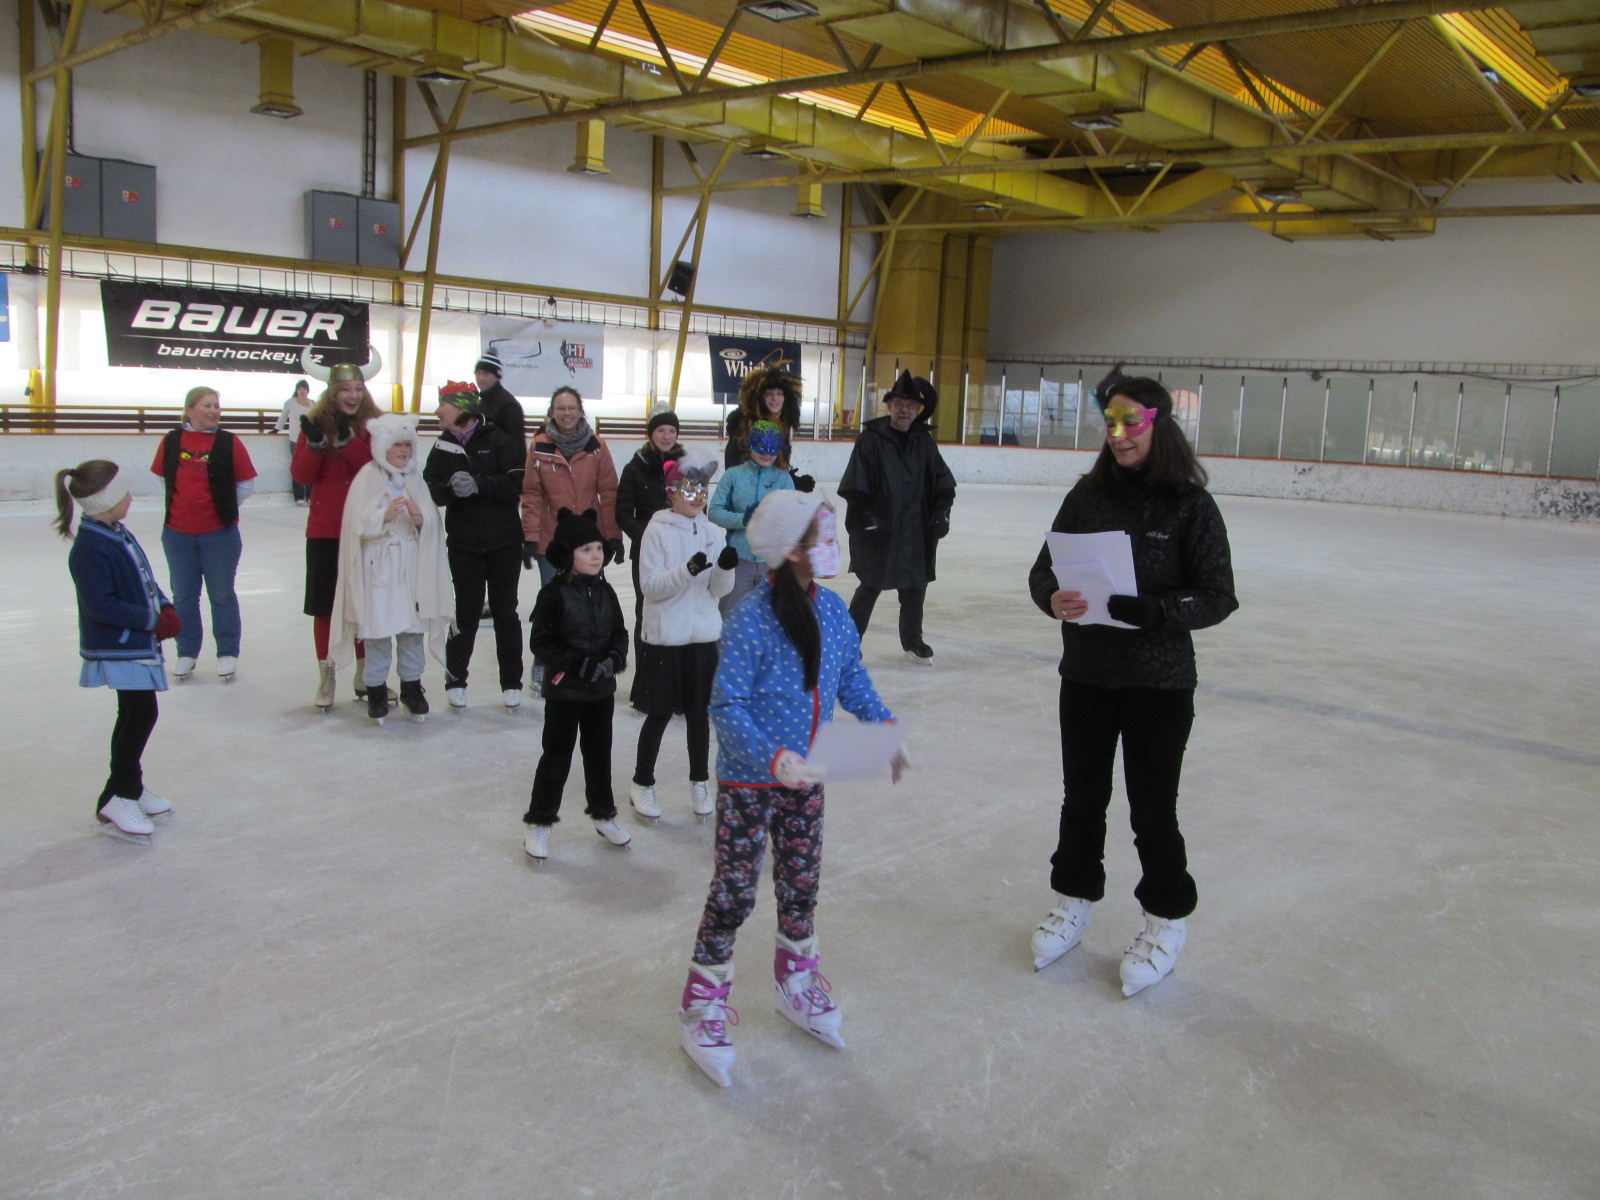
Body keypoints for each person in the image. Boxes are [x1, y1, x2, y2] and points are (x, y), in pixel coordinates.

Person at [678, 489, 905, 1089]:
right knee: (733, 893)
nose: (834, 544)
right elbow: (725, 705)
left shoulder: (832, 611)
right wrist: (772, 758)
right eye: (822, 537)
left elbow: (850, 675)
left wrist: (882, 725)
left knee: (801, 885)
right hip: (750, 782)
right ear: (790, 551)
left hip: (808, 779)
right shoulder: (750, 618)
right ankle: (701, 1006)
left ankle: (796, 983)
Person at [1026, 369, 1238, 998]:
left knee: (1152, 809)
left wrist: (1161, 611)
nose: (1119, 435)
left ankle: (1166, 918)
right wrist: (1052, 597)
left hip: (1158, 684)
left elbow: (1218, 595)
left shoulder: (1190, 505)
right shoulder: (1086, 496)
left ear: (1158, 425)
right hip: (1087, 675)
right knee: (1082, 799)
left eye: (1132, 423)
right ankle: (1073, 899)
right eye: (1111, 423)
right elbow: (1042, 572)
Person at [56, 460, 180, 844]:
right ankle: (120, 795)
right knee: (140, 714)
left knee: (135, 713)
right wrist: (151, 620)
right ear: (106, 501)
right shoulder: (90, 548)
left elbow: (144, 577)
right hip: (119, 646)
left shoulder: (116, 532)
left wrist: (164, 606)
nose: (130, 498)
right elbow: (101, 607)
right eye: (124, 493)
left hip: (133, 643)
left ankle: (126, 789)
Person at [629, 451, 737, 824]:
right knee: (659, 713)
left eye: (702, 490)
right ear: (672, 492)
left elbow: (718, 591)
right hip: (665, 638)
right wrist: (687, 570)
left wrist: (724, 569)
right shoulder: (656, 531)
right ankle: (642, 782)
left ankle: (699, 782)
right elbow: (650, 587)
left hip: (702, 638)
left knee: (699, 715)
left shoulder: (713, 533)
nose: (697, 497)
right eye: (689, 490)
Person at [522, 507, 631, 861]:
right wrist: (579, 665)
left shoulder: (606, 591)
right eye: (586, 549)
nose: (596, 555)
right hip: (565, 692)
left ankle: (603, 815)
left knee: (599, 756)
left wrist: (613, 659)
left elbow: (620, 632)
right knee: (557, 756)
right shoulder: (553, 594)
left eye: (598, 548)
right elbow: (541, 642)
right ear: (568, 555)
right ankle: (539, 821)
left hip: (600, 692)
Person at [331, 415, 452, 725]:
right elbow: (355, 527)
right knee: (378, 633)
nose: (403, 450)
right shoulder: (367, 478)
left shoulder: (415, 479)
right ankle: (375, 690)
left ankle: (412, 687)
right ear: (382, 446)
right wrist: (383, 516)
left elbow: (432, 525)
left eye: (407, 444)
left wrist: (421, 519)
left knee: (412, 632)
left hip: (410, 566)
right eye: (396, 444)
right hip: (378, 568)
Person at [837, 371, 956, 663]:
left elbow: (943, 483)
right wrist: (866, 517)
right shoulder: (871, 440)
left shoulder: (923, 441)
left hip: (916, 528)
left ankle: (913, 640)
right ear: (889, 405)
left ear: (918, 409)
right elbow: (855, 483)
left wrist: (942, 512)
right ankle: (848, 643)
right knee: (870, 584)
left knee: (915, 586)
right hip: (881, 529)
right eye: (899, 404)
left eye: (910, 405)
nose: (905, 410)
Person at [424, 381, 528, 711]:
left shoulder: (499, 440)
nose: (438, 411)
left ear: (462, 408)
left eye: (444, 405)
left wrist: (479, 485)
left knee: (505, 612)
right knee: (465, 612)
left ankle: (511, 681)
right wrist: (450, 490)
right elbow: (429, 488)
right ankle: (455, 680)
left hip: (504, 542)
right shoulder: (442, 446)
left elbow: (516, 483)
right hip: (464, 544)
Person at [292, 351, 383, 710]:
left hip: (366, 529)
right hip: (325, 531)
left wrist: (349, 442)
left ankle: (366, 675)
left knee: (365, 606)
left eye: (358, 388)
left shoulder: (377, 424)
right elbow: (302, 475)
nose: (352, 394)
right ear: (332, 393)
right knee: (324, 608)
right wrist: (316, 446)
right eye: (345, 389)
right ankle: (327, 675)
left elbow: (377, 469)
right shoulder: (314, 423)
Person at [149, 386, 257, 682]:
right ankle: (186, 651)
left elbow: (246, 484)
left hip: (219, 535)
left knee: (221, 595)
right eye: (207, 405)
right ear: (189, 410)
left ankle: (227, 651)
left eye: (216, 406)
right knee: (183, 595)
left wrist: (222, 508)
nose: (213, 411)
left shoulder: (229, 442)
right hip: (177, 535)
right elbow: (162, 478)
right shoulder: (172, 440)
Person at [521, 386, 623, 691]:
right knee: (552, 603)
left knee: (587, 602)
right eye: (560, 408)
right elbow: (531, 493)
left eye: (571, 407)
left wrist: (612, 535)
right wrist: (530, 535)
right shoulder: (539, 446)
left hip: (589, 539)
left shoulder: (596, 446)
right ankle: (543, 663)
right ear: (552, 412)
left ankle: (590, 662)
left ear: (580, 411)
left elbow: (609, 492)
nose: (566, 413)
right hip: (554, 541)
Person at [615, 407, 685, 707]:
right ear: (651, 434)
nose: (666, 436)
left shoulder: (687, 466)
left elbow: (699, 506)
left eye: (671, 430)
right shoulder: (635, 467)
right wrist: (649, 537)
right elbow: (622, 512)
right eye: (661, 430)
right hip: (646, 554)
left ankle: (676, 684)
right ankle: (645, 685)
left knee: (679, 613)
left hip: (681, 552)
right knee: (648, 613)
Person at [707, 420, 794, 618]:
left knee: (771, 618)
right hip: (739, 560)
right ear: (750, 444)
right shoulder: (733, 476)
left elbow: (792, 520)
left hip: (772, 561)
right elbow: (714, 512)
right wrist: (743, 520)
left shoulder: (783, 480)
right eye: (761, 447)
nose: (767, 453)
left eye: (773, 449)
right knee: (730, 616)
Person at [722, 365, 815, 491]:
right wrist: (790, 482)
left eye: (779, 394)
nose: (775, 398)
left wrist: (787, 479)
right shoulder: (744, 428)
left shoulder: (778, 427)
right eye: (769, 394)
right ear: (758, 397)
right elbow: (738, 471)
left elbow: (771, 467)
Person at [473, 350, 526, 452]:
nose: (481, 378)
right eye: (478, 373)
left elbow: (516, 446)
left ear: (497, 376)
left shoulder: (508, 405)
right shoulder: (481, 401)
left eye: (486, 373)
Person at [273, 379, 314, 504]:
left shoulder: (313, 403)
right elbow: (283, 417)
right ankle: (299, 496)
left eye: (304, 388)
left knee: (311, 466)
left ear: (308, 391)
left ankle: (310, 495)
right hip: (295, 439)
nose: (302, 391)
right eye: (300, 388)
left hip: (310, 439)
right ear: (297, 390)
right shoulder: (290, 402)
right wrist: (276, 429)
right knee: (297, 466)